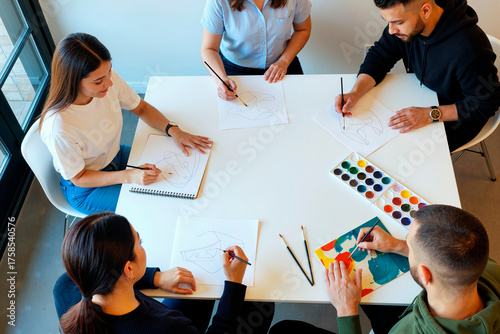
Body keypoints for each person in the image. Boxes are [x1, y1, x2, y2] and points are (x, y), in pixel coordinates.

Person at [39, 33, 213, 215]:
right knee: (152, 205)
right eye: (99, 81)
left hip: (115, 156)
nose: (109, 83)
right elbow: (79, 178)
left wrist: (173, 130)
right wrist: (129, 176)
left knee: (180, 169)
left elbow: (141, 108)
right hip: (87, 188)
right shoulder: (59, 127)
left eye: (109, 72)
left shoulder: (108, 81)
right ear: (72, 81)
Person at [270, 204, 500, 333]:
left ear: (425, 273)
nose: (405, 243)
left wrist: (346, 309)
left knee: (283, 331)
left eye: (408, 242)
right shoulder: (486, 267)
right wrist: (399, 246)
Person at [53, 211, 274, 333]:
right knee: (260, 304)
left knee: (196, 286)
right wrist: (234, 282)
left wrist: (155, 277)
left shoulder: (66, 288)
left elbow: (107, 275)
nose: (142, 246)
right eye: (139, 242)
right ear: (128, 269)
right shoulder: (168, 328)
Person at [334, 0, 500, 152]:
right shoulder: (407, 26)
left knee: (403, 153)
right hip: (424, 95)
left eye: (398, 22)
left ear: (426, 10)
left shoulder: (469, 50)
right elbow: (380, 56)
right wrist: (356, 92)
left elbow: (486, 103)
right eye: (388, 21)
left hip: (459, 114)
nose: (391, 30)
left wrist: (430, 114)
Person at [201, 0, 312, 101]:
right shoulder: (217, 2)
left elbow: (302, 29)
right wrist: (221, 79)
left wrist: (284, 61)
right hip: (234, 68)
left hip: (283, 63)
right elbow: (209, 49)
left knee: (300, 105)